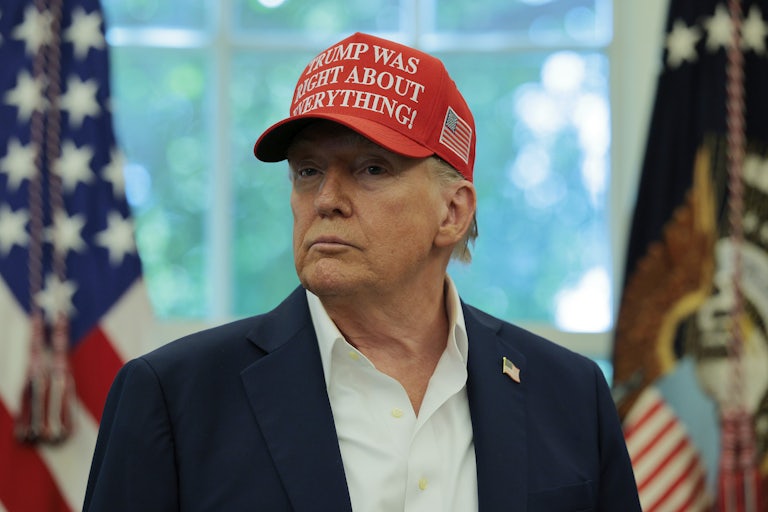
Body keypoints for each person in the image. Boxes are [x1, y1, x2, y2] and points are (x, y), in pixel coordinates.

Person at [83, 32, 641, 511]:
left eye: (372, 168)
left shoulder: (569, 395)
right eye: (308, 170)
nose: (326, 198)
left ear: (452, 212)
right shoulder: (173, 397)